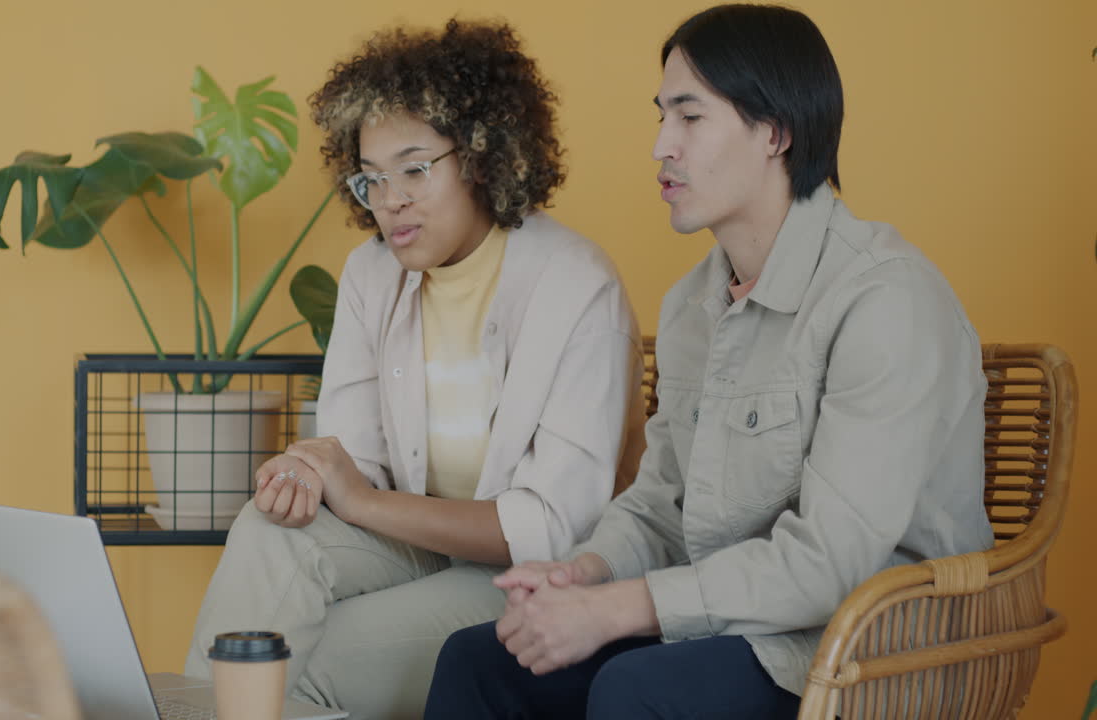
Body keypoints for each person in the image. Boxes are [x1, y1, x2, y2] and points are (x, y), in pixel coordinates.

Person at [423, 5, 995, 719]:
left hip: (871, 650)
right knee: (480, 662)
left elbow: (828, 563)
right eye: (661, 116)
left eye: (690, 119)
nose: (662, 145)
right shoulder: (691, 305)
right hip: (729, 626)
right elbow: (662, 504)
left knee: (636, 688)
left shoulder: (887, 299)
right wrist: (585, 572)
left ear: (775, 134)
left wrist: (622, 609)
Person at [184, 19, 647, 720]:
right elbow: (353, 464)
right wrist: (305, 478)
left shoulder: (577, 285)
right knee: (267, 532)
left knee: (302, 666)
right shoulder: (371, 274)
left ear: (484, 157)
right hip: (416, 548)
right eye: (371, 178)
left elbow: (552, 526)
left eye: (414, 168)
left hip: (535, 577)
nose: (390, 198)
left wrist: (361, 501)